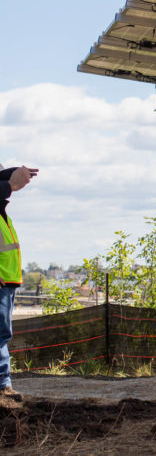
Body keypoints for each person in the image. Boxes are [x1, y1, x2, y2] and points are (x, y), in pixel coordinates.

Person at [0, 164, 37, 402]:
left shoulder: (3, 215)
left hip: (8, 283)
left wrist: (16, 172)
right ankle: (3, 385)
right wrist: (12, 183)